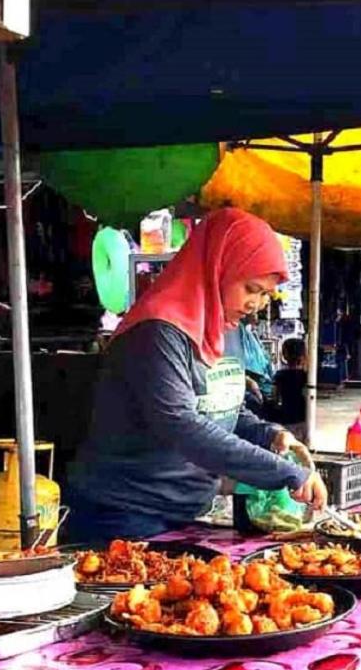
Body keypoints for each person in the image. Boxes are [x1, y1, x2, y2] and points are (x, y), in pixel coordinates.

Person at [66, 208, 328, 542]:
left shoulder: (226, 324)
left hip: (188, 512)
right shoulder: (157, 332)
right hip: (124, 513)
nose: (257, 304)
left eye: (265, 294)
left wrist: (269, 434)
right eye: (251, 288)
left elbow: (219, 406)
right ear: (218, 267)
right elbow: (182, 424)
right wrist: (285, 472)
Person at [271, 336, 308, 439]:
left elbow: (275, 398)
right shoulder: (307, 376)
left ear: (284, 355)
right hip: (303, 418)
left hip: (286, 419)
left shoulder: (280, 375)